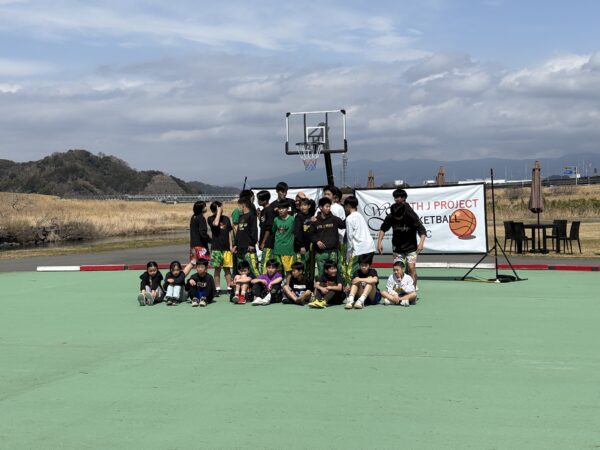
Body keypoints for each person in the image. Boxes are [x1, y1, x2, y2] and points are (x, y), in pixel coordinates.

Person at [377, 198, 427, 288]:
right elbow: (383, 229)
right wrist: (379, 242)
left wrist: (421, 243)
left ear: (403, 213)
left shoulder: (411, 217)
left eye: (399, 216)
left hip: (411, 247)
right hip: (397, 248)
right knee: (398, 269)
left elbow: (422, 231)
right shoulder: (390, 217)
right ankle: (399, 289)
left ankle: (412, 289)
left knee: (411, 268)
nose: (397, 218)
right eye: (395, 216)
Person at [343, 195, 376, 284]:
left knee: (353, 273)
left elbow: (350, 237)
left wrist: (348, 253)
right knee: (367, 272)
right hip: (370, 247)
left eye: (345, 206)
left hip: (359, 249)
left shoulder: (349, 218)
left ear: (348, 206)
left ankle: (351, 290)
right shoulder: (360, 215)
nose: (345, 209)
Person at [310, 197, 345, 278]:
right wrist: (317, 241)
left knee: (334, 273)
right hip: (320, 253)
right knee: (321, 274)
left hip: (333, 252)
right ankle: (321, 286)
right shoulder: (315, 220)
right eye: (326, 206)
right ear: (320, 207)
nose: (328, 208)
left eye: (329, 206)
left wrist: (349, 212)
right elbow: (311, 234)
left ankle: (335, 285)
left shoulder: (334, 219)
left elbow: (344, 224)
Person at [207, 201, 233, 297]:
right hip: (216, 248)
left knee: (227, 269)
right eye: (221, 207)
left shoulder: (226, 218)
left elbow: (229, 233)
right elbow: (216, 223)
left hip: (226, 248)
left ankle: (229, 287)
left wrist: (231, 246)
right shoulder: (210, 218)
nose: (222, 208)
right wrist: (218, 212)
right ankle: (217, 288)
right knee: (217, 269)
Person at [232, 196, 259, 277]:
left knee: (253, 267)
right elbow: (238, 232)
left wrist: (252, 244)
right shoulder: (241, 217)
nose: (238, 208)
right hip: (240, 247)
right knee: (241, 268)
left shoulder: (251, 216)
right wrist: (235, 245)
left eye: (239, 205)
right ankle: (243, 283)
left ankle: (261, 283)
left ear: (243, 205)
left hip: (248, 247)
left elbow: (254, 231)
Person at [272, 199, 296, 281]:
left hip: (288, 249)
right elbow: (274, 230)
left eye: (283, 208)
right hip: (277, 248)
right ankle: (279, 284)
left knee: (288, 270)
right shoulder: (276, 219)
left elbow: (295, 232)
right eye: (279, 208)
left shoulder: (292, 219)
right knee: (278, 269)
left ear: (288, 209)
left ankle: (288, 285)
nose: (280, 210)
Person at [294, 197, 315, 280]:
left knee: (310, 265)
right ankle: (300, 282)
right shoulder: (298, 216)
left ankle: (309, 281)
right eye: (301, 205)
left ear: (309, 206)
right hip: (302, 247)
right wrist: (301, 245)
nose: (302, 207)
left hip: (310, 246)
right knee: (302, 266)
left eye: (305, 205)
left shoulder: (311, 216)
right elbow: (297, 232)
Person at [256, 190, 276, 273]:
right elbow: (263, 225)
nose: (258, 201)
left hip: (268, 242)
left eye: (259, 199)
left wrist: (263, 242)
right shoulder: (264, 210)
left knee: (265, 263)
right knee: (265, 261)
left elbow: (268, 228)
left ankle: (264, 279)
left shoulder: (270, 210)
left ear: (265, 200)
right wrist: (259, 216)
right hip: (264, 240)